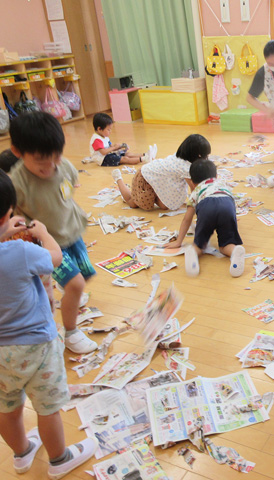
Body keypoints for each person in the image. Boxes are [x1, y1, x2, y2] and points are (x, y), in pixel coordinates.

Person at [0, 170, 98, 479]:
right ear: (7, 212)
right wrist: (43, 233)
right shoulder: (20, 251)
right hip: (36, 344)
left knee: (7, 407)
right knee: (47, 406)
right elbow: (54, 257)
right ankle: (59, 459)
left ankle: (21, 454)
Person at [9, 111, 97, 354]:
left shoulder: (64, 166)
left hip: (72, 232)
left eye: (55, 157)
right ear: (17, 152)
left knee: (84, 276)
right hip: (46, 244)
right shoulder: (17, 183)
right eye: (40, 161)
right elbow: (12, 218)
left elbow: (68, 190)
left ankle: (64, 286)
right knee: (76, 284)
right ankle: (71, 332)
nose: (50, 166)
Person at [166, 159, 245, 278]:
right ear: (216, 176)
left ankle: (193, 252)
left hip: (206, 207)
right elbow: (232, 205)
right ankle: (234, 252)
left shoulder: (197, 190)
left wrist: (179, 241)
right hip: (227, 205)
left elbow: (187, 219)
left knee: (200, 245)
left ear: (192, 182)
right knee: (225, 245)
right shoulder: (222, 184)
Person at [112, 134, 211, 211]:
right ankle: (118, 179)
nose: (206, 158)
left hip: (156, 179)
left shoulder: (183, 156)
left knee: (164, 206)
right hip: (145, 177)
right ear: (196, 155)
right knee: (133, 203)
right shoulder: (185, 167)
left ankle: (147, 192)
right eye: (204, 155)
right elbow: (194, 189)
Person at [85, 112, 155, 166]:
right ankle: (143, 159)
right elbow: (103, 152)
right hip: (103, 159)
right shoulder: (96, 139)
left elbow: (110, 147)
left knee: (126, 154)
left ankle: (146, 154)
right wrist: (114, 147)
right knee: (125, 159)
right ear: (99, 129)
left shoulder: (104, 136)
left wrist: (120, 147)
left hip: (108, 155)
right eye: (108, 129)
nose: (110, 131)